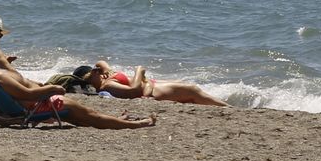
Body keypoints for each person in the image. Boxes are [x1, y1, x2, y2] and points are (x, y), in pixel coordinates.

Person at [0, 48, 155, 130]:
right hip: (39, 105)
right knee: (92, 116)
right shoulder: (0, 76)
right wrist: (53, 88)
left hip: (36, 104)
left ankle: (117, 120)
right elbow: (27, 94)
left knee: (83, 117)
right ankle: (135, 124)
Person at [50, 61, 227, 107]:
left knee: (186, 87)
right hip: (149, 90)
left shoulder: (106, 76)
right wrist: (139, 71)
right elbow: (134, 90)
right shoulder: (106, 86)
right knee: (193, 91)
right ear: (88, 79)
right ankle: (226, 107)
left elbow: (102, 61)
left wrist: (101, 69)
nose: (97, 72)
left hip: (150, 84)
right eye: (92, 73)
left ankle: (223, 105)